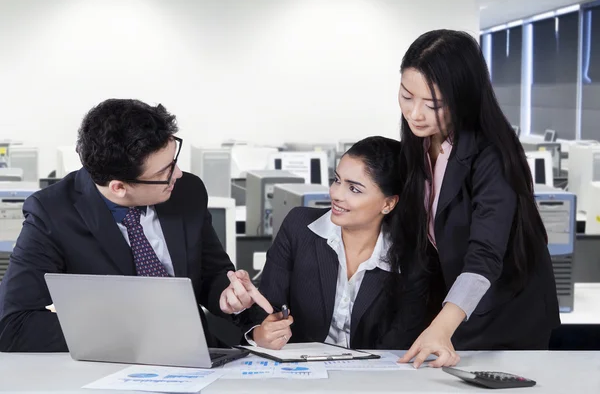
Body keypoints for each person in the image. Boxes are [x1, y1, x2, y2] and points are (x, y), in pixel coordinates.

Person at [0, 99, 271, 352]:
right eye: (164, 172)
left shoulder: (187, 191)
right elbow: (14, 325)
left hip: (198, 357)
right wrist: (131, 333)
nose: (177, 174)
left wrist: (227, 296)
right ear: (118, 187)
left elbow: (212, 274)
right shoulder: (52, 213)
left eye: (173, 161)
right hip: (111, 366)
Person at [394, 30, 560, 368]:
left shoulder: (492, 153)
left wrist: (442, 326)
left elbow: (484, 254)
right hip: (458, 308)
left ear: (463, 98)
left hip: (509, 313)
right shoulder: (420, 141)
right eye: (406, 96)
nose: (415, 114)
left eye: (433, 104)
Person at [243, 136, 429, 350]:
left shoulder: (411, 256)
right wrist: (261, 333)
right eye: (337, 180)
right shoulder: (299, 228)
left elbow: (400, 342)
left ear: (388, 204)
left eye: (354, 189)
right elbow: (267, 306)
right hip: (300, 372)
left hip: (373, 378)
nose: (336, 194)